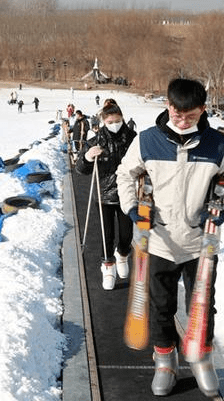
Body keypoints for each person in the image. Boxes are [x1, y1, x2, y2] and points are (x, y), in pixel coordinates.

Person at [116, 78, 224, 397]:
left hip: (199, 244)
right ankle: (165, 360)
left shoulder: (219, 145)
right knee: (161, 305)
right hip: (158, 241)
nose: (182, 120)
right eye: (177, 113)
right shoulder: (147, 141)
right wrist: (132, 208)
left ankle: (202, 359)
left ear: (202, 110)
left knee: (202, 306)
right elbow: (125, 174)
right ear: (168, 105)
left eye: (190, 115)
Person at [75, 103, 136, 290]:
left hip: (127, 194)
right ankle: (107, 266)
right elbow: (80, 169)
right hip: (104, 195)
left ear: (123, 118)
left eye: (117, 120)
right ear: (103, 121)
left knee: (127, 234)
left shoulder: (133, 139)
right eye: (110, 121)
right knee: (106, 234)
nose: (114, 124)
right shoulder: (96, 141)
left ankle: (123, 254)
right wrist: (87, 157)